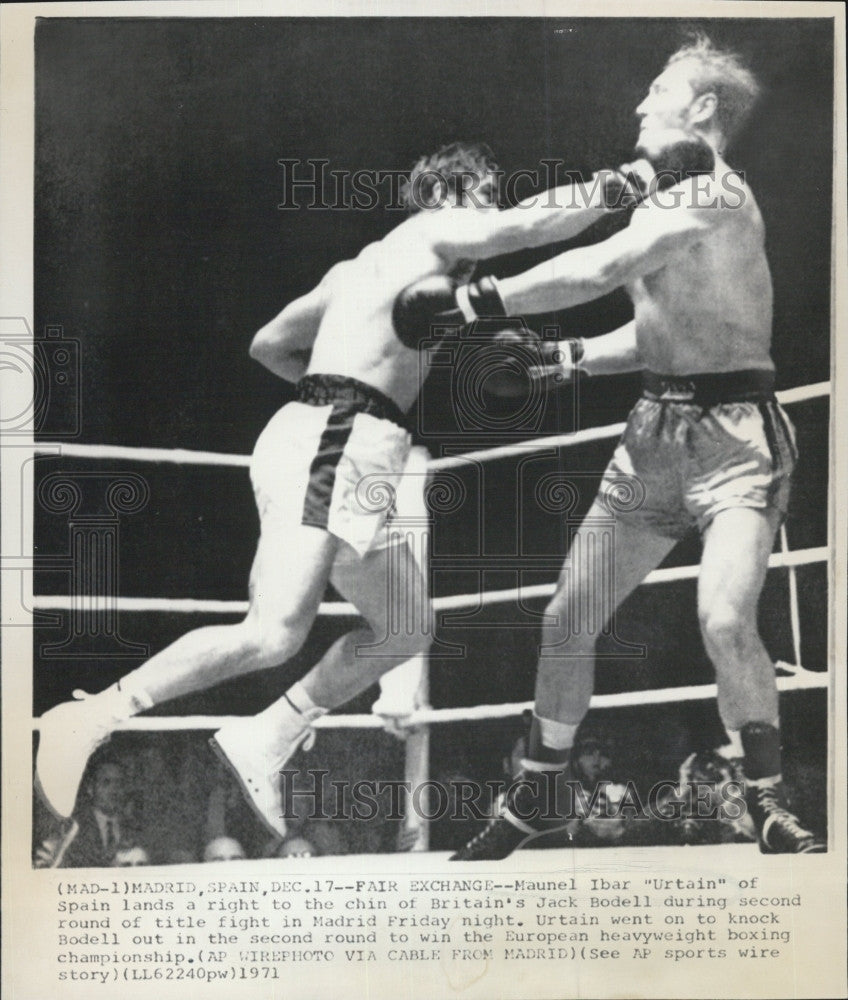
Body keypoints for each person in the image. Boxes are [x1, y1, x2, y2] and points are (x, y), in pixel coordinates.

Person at [36, 141, 624, 843]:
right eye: (487, 195)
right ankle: (97, 714)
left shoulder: (358, 268)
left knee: (407, 624)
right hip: (337, 440)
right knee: (274, 630)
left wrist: (340, 386)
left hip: (354, 444)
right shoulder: (430, 232)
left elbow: (267, 343)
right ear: (450, 192)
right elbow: (531, 226)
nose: (492, 210)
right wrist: (633, 183)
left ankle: (269, 736)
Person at [398, 37, 824, 858]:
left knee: (726, 617)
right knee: (567, 618)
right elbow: (664, 329)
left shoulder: (716, 194)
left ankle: (769, 800)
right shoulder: (661, 200)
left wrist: (477, 301)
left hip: (739, 441)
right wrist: (568, 360)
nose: (637, 104)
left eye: (657, 89)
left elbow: (605, 266)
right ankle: (537, 794)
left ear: (702, 108)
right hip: (652, 438)